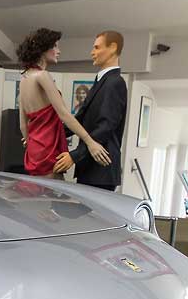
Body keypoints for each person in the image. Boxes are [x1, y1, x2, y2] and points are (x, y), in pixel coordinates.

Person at [17, 27, 108, 181]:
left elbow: (22, 125)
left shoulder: (25, 79)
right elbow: (64, 115)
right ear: (42, 49)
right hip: (47, 148)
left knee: (40, 197)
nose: (58, 51)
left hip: (35, 149)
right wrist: (90, 142)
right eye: (55, 46)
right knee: (52, 198)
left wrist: (31, 143)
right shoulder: (42, 76)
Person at [54, 30, 127, 191]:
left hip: (101, 169)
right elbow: (78, 120)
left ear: (113, 47)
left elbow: (106, 126)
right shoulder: (102, 81)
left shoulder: (115, 82)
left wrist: (74, 156)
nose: (92, 52)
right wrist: (44, 134)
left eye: (97, 47)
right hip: (91, 167)